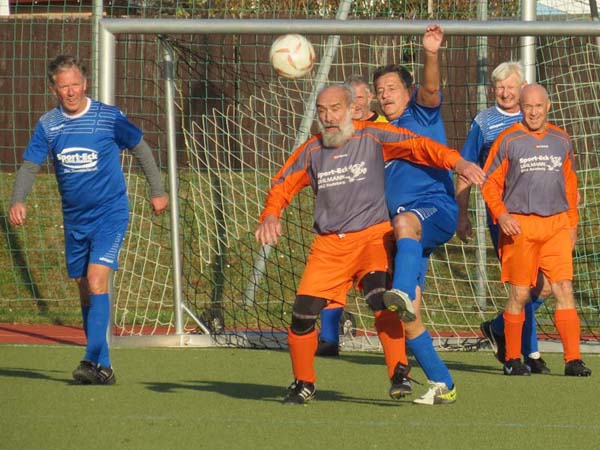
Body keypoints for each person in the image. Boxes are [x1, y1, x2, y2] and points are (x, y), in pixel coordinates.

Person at [255, 83, 484, 404]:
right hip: (329, 247)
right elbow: (282, 182)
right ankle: (304, 382)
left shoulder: (373, 136)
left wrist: (456, 162)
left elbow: (420, 145)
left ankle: (399, 370)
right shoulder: (311, 150)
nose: (329, 117)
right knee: (302, 316)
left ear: (351, 110)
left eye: (335, 109)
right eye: (322, 112)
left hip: (372, 239)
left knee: (382, 300)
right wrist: (270, 215)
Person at [8, 55, 169, 385]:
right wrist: (18, 199)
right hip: (75, 221)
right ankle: (103, 366)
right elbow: (29, 165)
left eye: (75, 84)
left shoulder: (108, 118)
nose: (70, 92)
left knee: (97, 281)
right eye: (63, 86)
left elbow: (141, 148)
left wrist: (157, 189)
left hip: (110, 214)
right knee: (85, 290)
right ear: (53, 88)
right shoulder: (48, 125)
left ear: (86, 83)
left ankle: (89, 357)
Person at [372, 24, 459, 405]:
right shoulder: (376, 136)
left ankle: (403, 290)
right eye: (380, 91)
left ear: (407, 93)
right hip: (409, 236)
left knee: (405, 222)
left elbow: (431, 88)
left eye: (392, 88)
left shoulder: (421, 116)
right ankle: (444, 383)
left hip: (434, 212)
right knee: (410, 316)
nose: (385, 95)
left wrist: (431, 54)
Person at [481, 83, 591, 377]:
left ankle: (573, 360)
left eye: (538, 106)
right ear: (521, 108)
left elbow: (570, 185)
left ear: (548, 106)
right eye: (527, 106)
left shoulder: (561, 139)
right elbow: (489, 183)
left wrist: (572, 224)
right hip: (521, 225)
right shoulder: (508, 139)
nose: (532, 112)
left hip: (556, 225)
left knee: (563, 288)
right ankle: (513, 359)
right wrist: (501, 214)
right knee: (520, 294)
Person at [456, 61, 551, 374]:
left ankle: (500, 328)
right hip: (505, 218)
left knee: (544, 285)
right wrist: (462, 214)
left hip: (543, 217)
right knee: (523, 284)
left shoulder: (534, 118)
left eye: (511, 86)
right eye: (500, 87)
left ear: (523, 87)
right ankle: (527, 354)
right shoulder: (484, 122)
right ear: (492, 89)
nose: (506, 92)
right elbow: (468, 168)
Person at [316, 75, 387, 358]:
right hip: (339, 219)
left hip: (375, 218)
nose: (355, 105)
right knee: (334, 282)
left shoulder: (380, 129)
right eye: (351, 99)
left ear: (368, 99)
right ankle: (329, 338)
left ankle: (397, 345)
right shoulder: (335, 134)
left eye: (360, 98)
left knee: (380, 289)